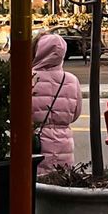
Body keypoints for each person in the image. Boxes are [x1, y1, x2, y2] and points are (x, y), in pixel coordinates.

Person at [32, 30, 82, 175]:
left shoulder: (28, 78)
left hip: (35, 143)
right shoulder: (71, 80)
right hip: (64, 144)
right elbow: (75, 114)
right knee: (61, 182)